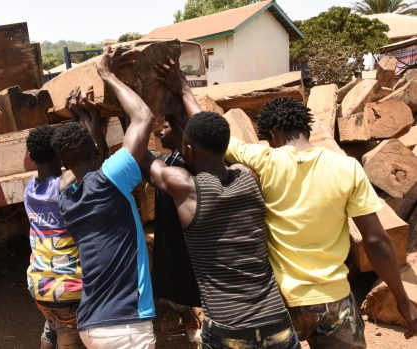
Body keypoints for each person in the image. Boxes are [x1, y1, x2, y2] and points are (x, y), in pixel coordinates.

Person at [161, 56, 417, 347]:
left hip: (280, 306)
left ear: (272, 134)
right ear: (307, 130)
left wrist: (183, 88)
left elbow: (210, 131)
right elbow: (376, 241)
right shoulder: (348, 168)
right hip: (334, 301)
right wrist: (402, 300)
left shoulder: (264, 160)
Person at [141, 111, 300, 349]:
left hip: (229, 328)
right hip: (276, 321)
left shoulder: (188, 189)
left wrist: (141, 117)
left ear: (188, 149)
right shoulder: (248, 177)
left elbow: (138, 155)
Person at [51, 46, 156, 349]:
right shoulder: (110, 181)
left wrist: (86, 120)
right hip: (126, 327)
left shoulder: (65, 198)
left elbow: (87, 164)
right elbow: (143, 117)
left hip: (92, 326)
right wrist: (106, 74)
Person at [24, 124, 83, 349]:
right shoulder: (61, 187)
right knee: (69, 338)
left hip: (39, 284)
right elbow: (86, 163)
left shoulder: (29, 189)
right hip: (67, 287)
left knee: (52, 327)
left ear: (31, 156)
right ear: (59, 153)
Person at [151, 118, 204, 344]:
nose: (160, 129)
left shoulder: (189, 166)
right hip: (168, 248)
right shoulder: (166, 159)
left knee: (181, 283)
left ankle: (188, 312)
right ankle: (182, 310)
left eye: (168, 124)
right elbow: (140, 156)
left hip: (184, 250)